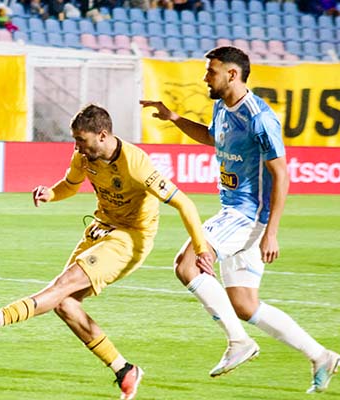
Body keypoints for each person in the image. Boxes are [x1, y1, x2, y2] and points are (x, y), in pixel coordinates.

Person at [0, 103, 214, 400]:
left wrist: (201, 250)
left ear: (102, 135)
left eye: (81, 140)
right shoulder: (84, 156)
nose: (77, 147)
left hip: (130, 239)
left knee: (61, 287)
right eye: (75, 140)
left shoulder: (136, 163)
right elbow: (70, 186)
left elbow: (184, 204)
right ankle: (124, 369)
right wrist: (51, 193)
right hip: (100, 230)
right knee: (65, 304)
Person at [140, 46, 339, 393]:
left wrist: (271, 232)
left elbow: (282, 175)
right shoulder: (221, 107)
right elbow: (212, 137)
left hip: (246, 215)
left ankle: (239, 343)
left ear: (232, 74)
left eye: (211, 71)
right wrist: (175, 119)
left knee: (187, 264)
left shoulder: (260, 118)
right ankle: (321, 355)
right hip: (236, 213)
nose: (205, 77)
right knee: (245, 305)